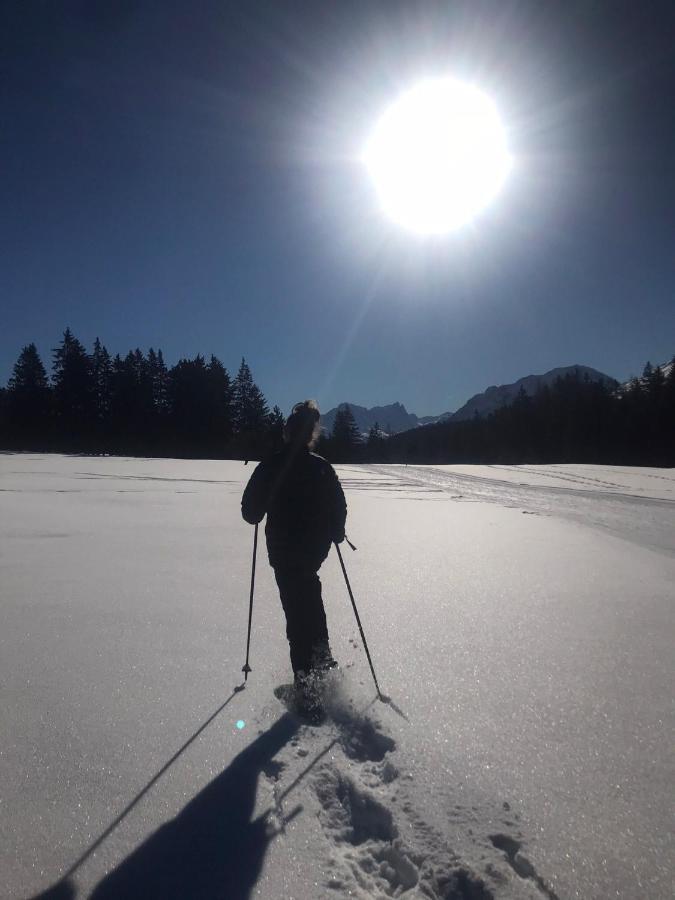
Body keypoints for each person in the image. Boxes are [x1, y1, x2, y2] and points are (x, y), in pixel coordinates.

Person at [241, 400, 347, 690]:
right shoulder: (321, 468)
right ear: (311, 433)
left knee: (297, 612)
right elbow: (339, 507)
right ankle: (322, 662)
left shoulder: (271, 466)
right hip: (314, 551)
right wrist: (337, 532)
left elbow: (250, 513)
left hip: (284, 552)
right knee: (310, 594)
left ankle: (307, 690)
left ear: (287, 432)